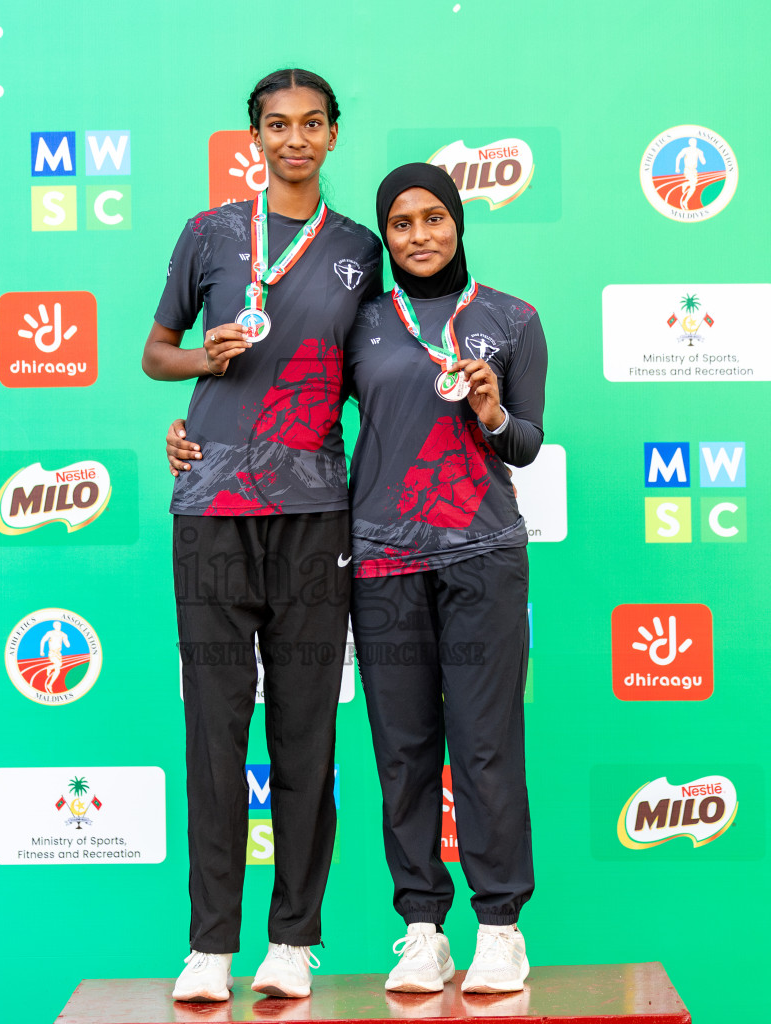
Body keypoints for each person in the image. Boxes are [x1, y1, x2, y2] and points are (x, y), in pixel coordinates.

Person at [169, 163, 547, 995]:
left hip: (482, 555)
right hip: (380, 557)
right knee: (402, 754)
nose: (419, 235)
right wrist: (199, 434)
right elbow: (288, 397)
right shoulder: (368, 319)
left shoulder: (514, 318)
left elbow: (525, 443)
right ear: (388, 234)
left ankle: (499, 929)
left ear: (457, 222)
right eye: (403, 222)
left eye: (433, 218)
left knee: (485, 749)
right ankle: (421, 930)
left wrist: (490, 414)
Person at [141, 68, 383, 1003]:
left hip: (315, 510)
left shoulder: (361, 249)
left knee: (306, 729)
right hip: (209, 507)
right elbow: (157, 351)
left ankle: (292, 938)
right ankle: (209, 945)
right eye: (277, 125)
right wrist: (203, 360)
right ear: (255, 135)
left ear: (332, 135)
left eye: (311, 124)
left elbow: (388, 371)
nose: (294, 139)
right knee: (213, 727)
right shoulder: (208, 235)